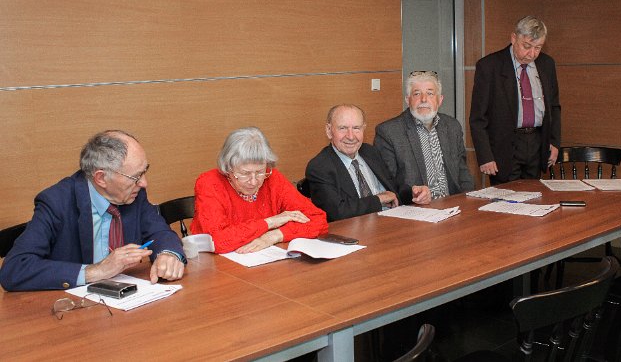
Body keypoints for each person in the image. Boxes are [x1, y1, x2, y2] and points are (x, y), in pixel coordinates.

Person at [0, 130, 186, 292]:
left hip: (128, 301)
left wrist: (168, 254)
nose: (144, 183)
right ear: (101, 178)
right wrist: (97, 270)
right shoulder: (57, 202)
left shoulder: (134, 194)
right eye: (136, 176)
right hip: (73, 310)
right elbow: (14, 269)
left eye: (145, 171)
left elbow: (160, 232)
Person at [191, 127, 328, 254]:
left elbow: (318, 219)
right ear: (228, 168)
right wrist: (270, 222)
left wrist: (274, 235)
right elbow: (216, 241)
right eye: (245, 173)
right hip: (214, 265)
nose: (254, 181)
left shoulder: (273, 178)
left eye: (260, 172)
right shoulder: (209, 183)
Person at [470, 16, 561, 184]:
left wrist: (554, 142)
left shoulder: (547, 64)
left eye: (538, 47)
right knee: (506, 197)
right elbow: (478, 118)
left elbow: (554, 106)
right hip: (503, 148)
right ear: (513, 38)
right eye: (526, 46)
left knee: (535, 195)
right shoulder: (490, 66)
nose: (532, 54)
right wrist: (485, 156)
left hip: (536, 143)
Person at [306, 104, 431, 222]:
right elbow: (337, 212)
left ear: (363, 129)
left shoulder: (370, 152)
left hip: (391, 223)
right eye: (343, 128)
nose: (351, 136)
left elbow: (393, 189)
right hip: (355, 231)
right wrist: (378, 199)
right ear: (329, 130)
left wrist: (414, 193)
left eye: (356, 128)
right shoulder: (319, 167)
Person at [374, 71, 474, 198]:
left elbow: (463, 173)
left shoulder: (452, 126)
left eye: (430, 93)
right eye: (417, 94)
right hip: (416, 206)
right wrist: (413, 194)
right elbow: (388, 185)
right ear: (407, 100)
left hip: (453, 202)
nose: (424, 99)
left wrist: (469, 199)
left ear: (440, 100)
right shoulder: (389, 132)